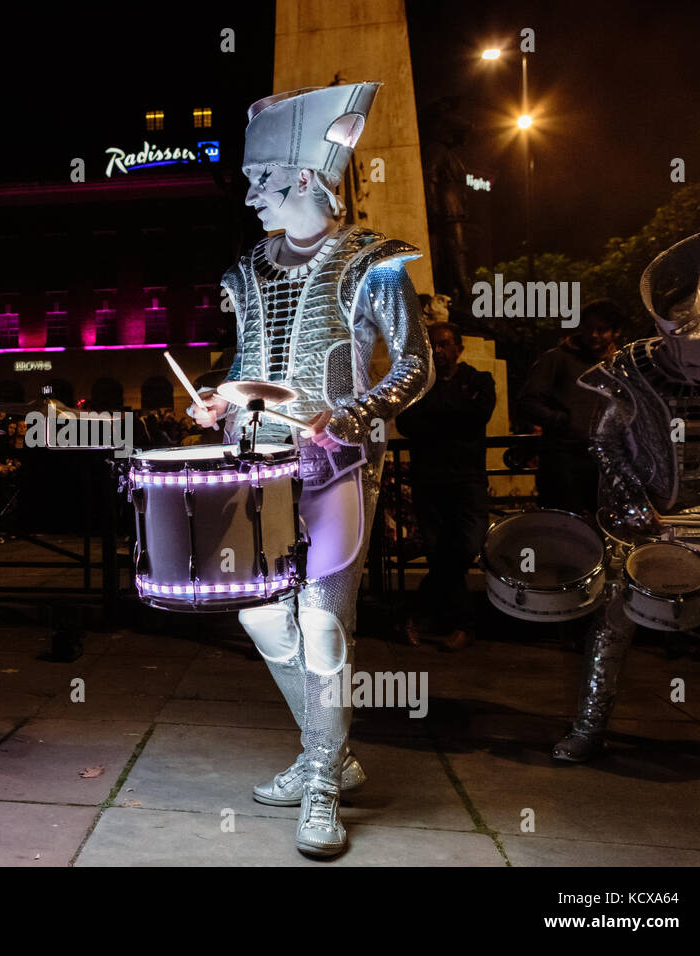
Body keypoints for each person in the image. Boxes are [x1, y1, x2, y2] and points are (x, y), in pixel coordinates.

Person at [188, 83, 433, 856]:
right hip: (259, 464)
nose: (250, 198)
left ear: (302, 178)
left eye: (260, 182)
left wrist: (352, 414)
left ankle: (322, 779)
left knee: (323, 623)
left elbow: (416, 371)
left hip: (339, 466)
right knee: (260, 613)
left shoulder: (377, 263)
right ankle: (331, 752)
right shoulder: (248, 269)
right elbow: (244, 361)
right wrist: (219, 401)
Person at [553, 229, 700, 763]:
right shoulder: (630, 371)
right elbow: (605, 444)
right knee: (613, 625)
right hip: (638, 518)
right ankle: (588, 730)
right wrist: (635, 505)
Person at [395, 323, 496, 651]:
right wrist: (454, 415)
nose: (437, 351)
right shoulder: (419, 386)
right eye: (432, 346)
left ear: (458, 348)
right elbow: (407, 423)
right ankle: (461, 626)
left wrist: (436, 419)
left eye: (443, 345)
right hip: (431, 481)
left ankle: (416, 615)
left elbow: (478, 416)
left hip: (468, 482)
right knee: (440, 554)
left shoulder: (479, 381)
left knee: (463, 549)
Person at [518, 300, 625, 515]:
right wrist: (563, 421)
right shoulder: (557, 359)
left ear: (615, 333)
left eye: (602, 330)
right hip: (563, 459)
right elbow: (528, 401)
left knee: (607, 524)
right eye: (589, 328)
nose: (594, 335)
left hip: (607, 461)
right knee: (564, 525)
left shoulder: (620, 365)